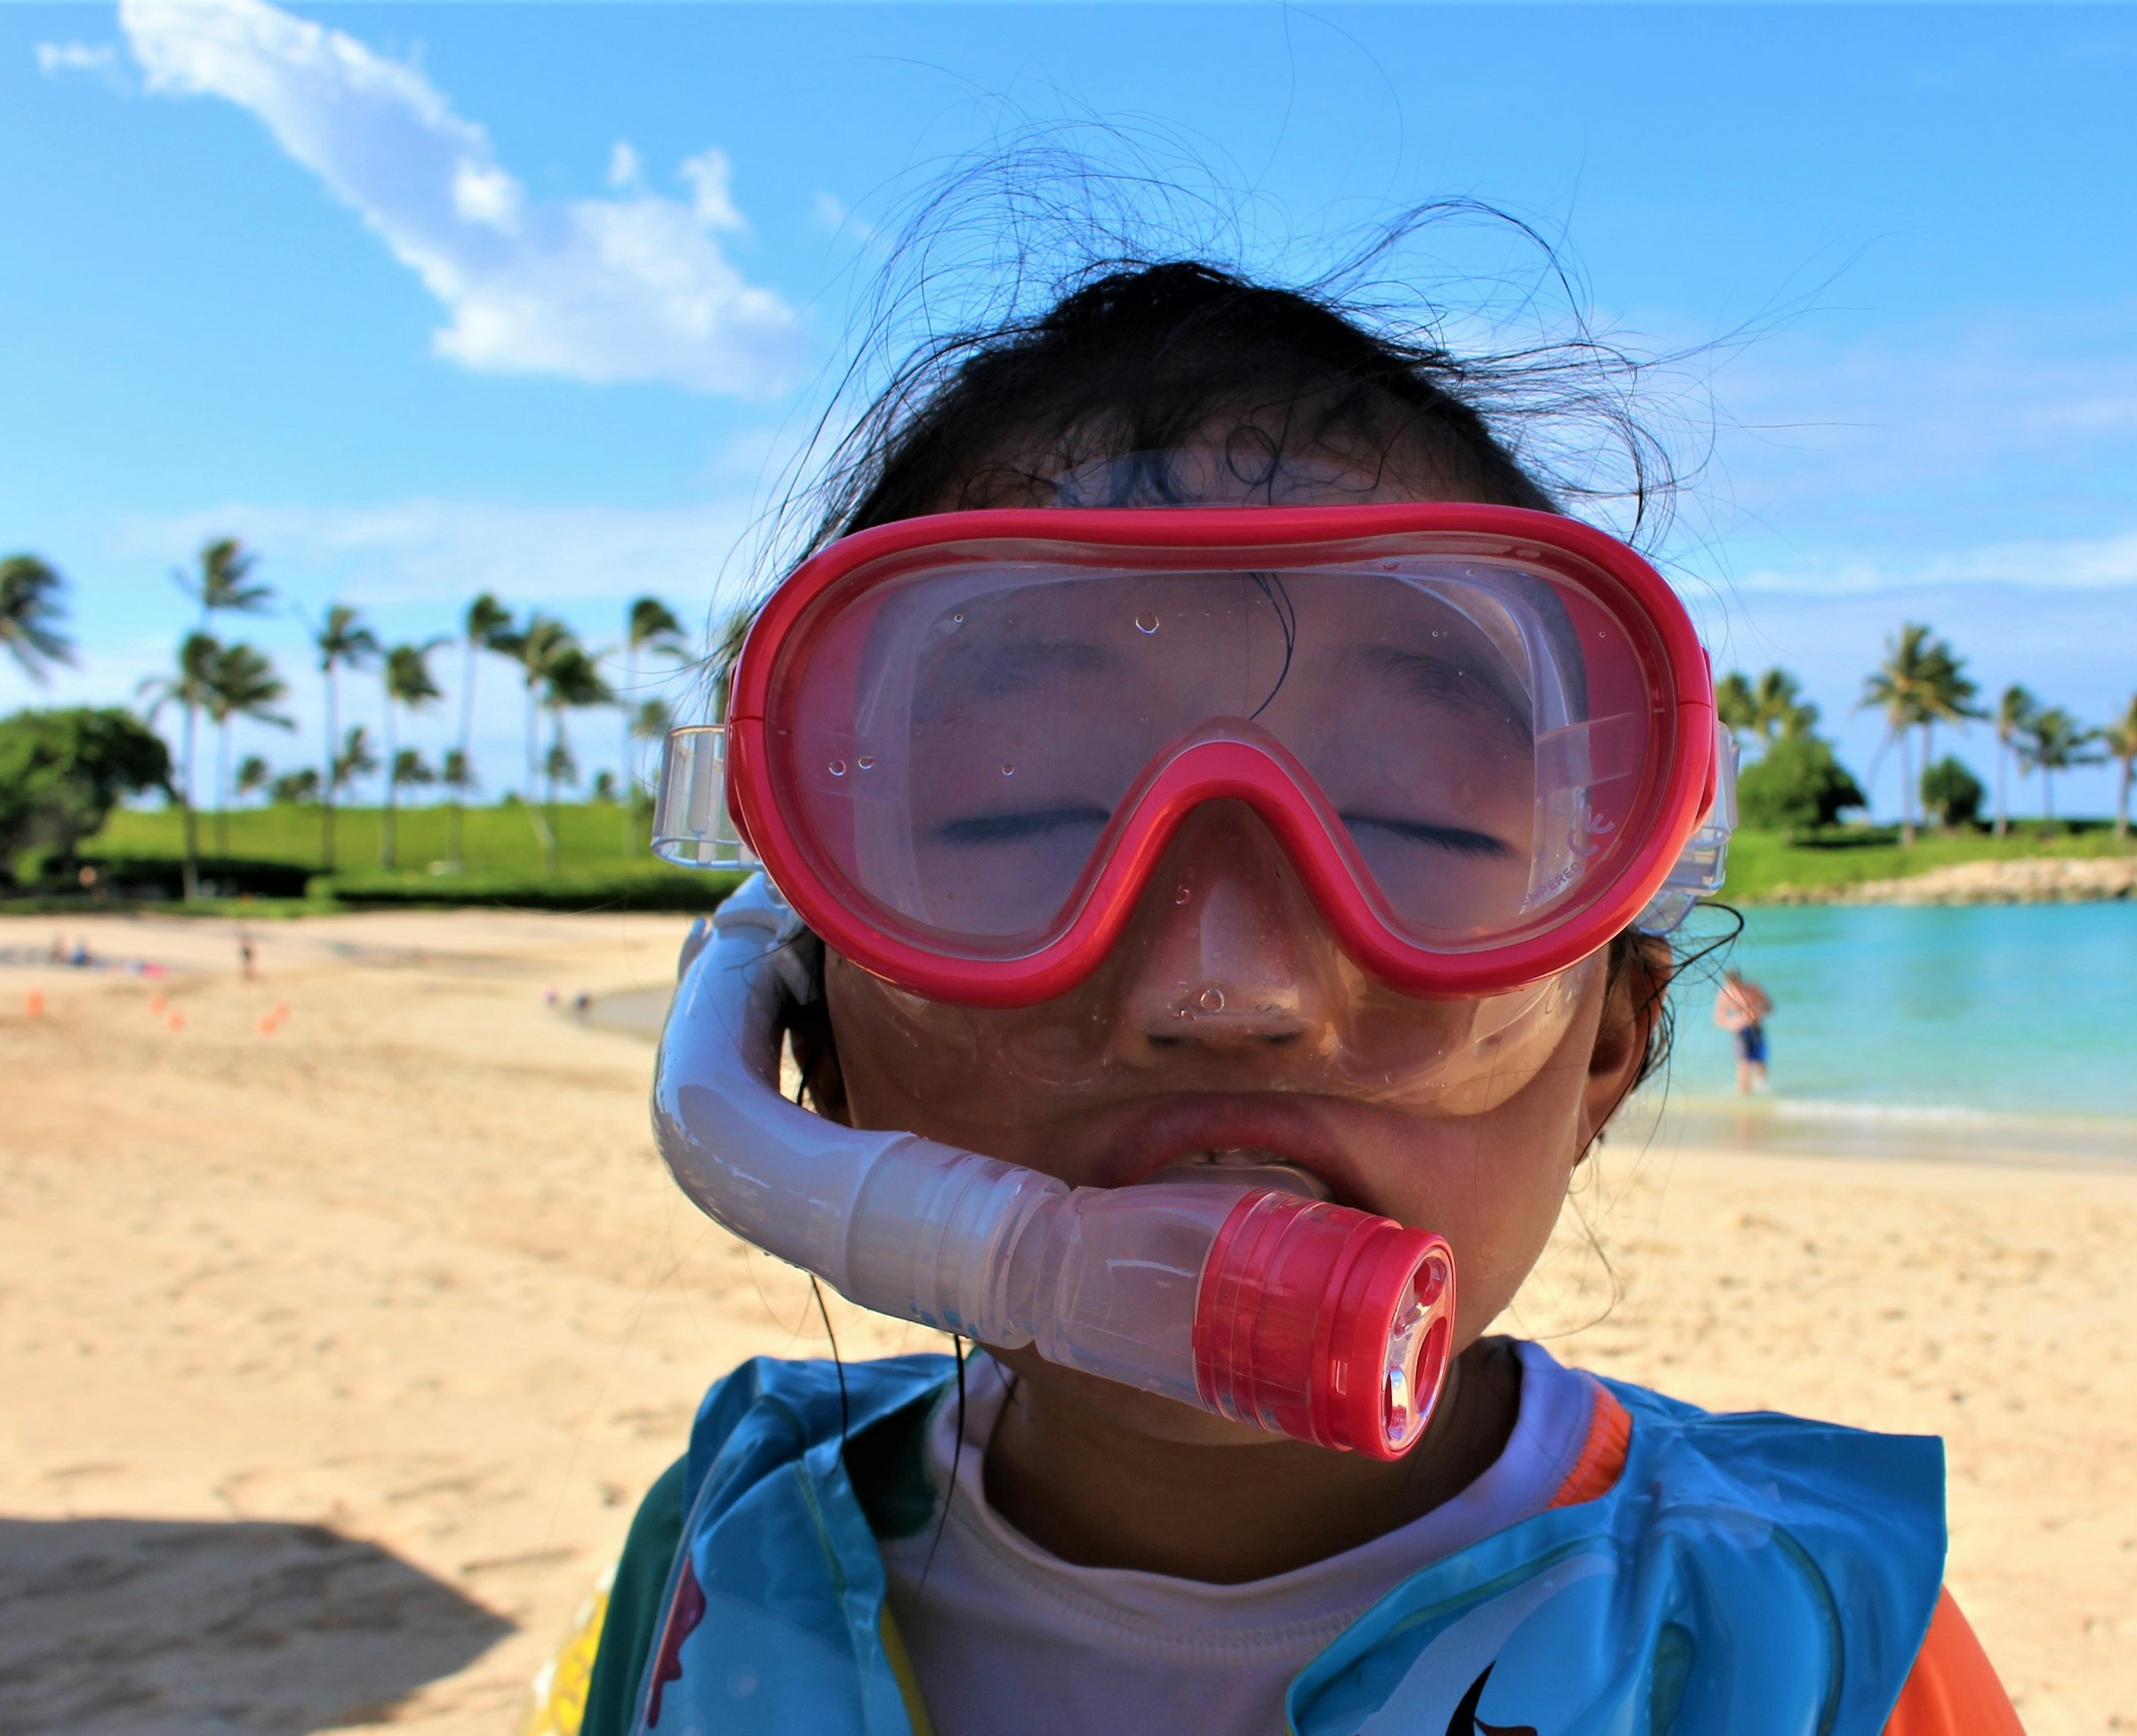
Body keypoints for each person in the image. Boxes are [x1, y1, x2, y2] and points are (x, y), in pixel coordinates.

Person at [560, 258, 2017, 1736]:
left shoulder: (1804, 1640)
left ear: (1613, 1043)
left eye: (1417, 835)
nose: (1226, 988)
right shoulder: (714, 1551)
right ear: (803, 1036)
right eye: (1025, 824)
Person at [1712, 967, 1775, 1095]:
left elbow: (1770, 1007)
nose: (1735, 987)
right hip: (1741, 1032)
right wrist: (1736, 1022)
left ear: (1741, 980)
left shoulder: (1754, 989)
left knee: (1761, 1064)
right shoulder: (1726, 993)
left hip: (1756, 1028)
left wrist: (1758, 1012)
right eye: (1732, 984)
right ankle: (1745, 1101)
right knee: (1744, 1066)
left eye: (1737, 983)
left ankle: (1760, 1101)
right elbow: (1718, 1019)